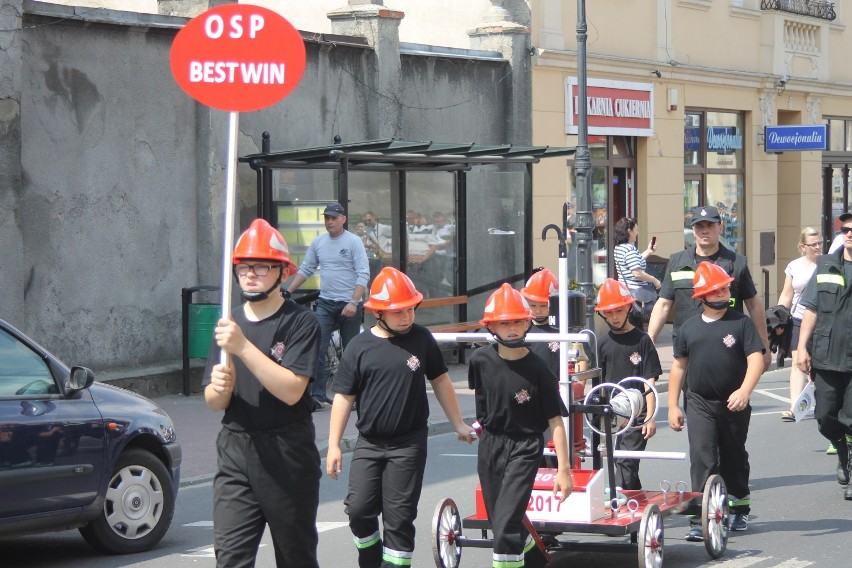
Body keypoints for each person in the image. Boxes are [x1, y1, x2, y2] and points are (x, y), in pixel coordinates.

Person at [326, 267, 474, 568]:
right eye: (398, 312)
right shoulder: (359, 347)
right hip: (369, 442)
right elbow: (343, 397)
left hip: (409, 444)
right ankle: (370, 555)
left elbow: (441, 381)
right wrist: (333, 445)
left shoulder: (421, 339)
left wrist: (458, 422)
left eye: (410, 310)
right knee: (358, 510)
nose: (406, 317)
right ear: (379, 312)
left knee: (399, 516)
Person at [203, 219, 322, 568]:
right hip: (236, 448)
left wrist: (242, 347)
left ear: (282, 272)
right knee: (231, 558)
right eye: (244, 266)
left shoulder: (301, 323)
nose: (250, 274)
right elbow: (213, 401)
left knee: (295, 557)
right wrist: (219, 389)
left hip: (287, 451)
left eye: (261, 266)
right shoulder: (228, 323)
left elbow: (291, 391)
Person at [468, 283, 573, 568]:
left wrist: (564, 470)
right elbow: (486, 407)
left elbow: (556, 421)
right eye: (504, 323)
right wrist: (475, 429)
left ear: (527, 323)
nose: (512, 328)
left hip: (526, 447)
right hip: (491, 445)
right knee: (499, 520)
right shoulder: (480, 361)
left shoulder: (539, 369)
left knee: (504, 526)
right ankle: (535, 557)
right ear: (491, 327)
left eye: (517, 321)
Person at [667, 262, 765, 540]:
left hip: (734, 403)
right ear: (702, 295)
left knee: (733, 454)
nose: (723, 293)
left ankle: (740, 505)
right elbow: (678, 367)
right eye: (717, 289)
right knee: (702, 457)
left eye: (725, 288)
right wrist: (673, 405)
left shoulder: (741, 322)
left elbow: (755, 359)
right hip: (698, 402)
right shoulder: (688, 328)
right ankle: (700, 518)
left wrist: (745, 391)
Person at [647, 205, 770, 370]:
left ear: (720, 228)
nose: (705, 231)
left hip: (728, 348)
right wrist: (650, 339)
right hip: (689, 350)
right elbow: (663, 304)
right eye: (699, 226)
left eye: (710, 225)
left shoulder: (737, 263)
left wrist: (764, 345)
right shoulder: (677, 262)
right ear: (693, 229)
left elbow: (753, 304)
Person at [286, 202, 370, 410]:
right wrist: (288, 291)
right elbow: (306, 268)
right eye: (327, 218)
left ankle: (351, 396)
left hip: (349, 304)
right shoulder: (319, 243)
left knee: (351, 351)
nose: (329, 221)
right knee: (318, 347)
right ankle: (318, 395)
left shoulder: (353, 242)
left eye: (333, 218)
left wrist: (353, 301)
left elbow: (363, 274)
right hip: (326, 303)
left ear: (343, 219)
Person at [796, 212, 852, 501]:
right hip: (827, 353)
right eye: (846, 229)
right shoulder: (827, 264)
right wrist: (802, 346)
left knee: (851, 417)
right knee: (824, 416)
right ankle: (842, 452)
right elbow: (811, 309)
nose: (850, 233)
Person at [594, 279, 662, 490]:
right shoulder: (602, 343)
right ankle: (635, 498)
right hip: (613, 412)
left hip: (637, 412)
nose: (614, 317)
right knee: (620, 460)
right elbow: (599, 383)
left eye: (619, 311)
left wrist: (650, 417)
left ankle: (623, 503)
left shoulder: (642, 341)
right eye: (609, 312)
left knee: (626, 460)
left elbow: (649, 381)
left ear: (629, 307)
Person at [777, 227, 822, 423]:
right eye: (813, 244)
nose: (818, 247)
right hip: (798, 319)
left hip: (822, 320)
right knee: (797, 363)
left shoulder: (828, 264)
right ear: (803, 247)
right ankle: (795, 407)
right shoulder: (794, 266)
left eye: (820, 243)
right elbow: (787, 294)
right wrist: (778, 316)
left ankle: (824, 405)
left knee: (820, 365)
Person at [612, 217, 661, 330]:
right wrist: (655, 280)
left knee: (630, 325)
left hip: (625, 292)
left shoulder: (619, 248)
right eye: (636, 230)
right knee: (637, 325)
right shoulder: (629, 249)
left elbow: (634, 263)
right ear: (629, 231)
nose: (637, 233)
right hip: (636, 295)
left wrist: (649, 251)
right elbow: (637, 273)